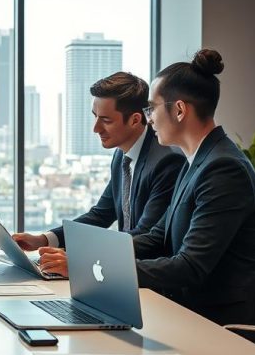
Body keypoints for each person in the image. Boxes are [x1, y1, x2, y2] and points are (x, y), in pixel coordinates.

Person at [40, 50, 255, 349]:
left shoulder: (222, 168)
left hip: (220, 328)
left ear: (179, 110)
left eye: (151, 109)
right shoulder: (198, 161)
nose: (148, 119)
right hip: (187, 313)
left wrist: (89, 267)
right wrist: (87, 260)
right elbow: (157, 237)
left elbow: (190, 266)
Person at [13, 72, 184, 256]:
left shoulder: (166, 162)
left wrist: (78, 258)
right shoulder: (121, 155)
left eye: (106, 120)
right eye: (95, 116)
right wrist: (44, 239)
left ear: (135, 119)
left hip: (147, 275)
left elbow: (145, 235)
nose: (96, 128)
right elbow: (101, 215)